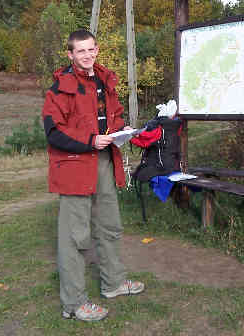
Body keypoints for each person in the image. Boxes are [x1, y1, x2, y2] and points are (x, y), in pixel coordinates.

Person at [42, 29, 144, 322]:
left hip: (104, 161)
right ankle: (73, 303)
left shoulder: (104, 80)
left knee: (109, 224)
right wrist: (90, 141)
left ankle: (113, 283)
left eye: (91, 50)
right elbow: (53, 131)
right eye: (80, 51)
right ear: (70, 54)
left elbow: (115, 114)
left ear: (97, 50)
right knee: (74, 237)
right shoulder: (60, 87)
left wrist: (120, 131)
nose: (87, 55)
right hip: (74, 166)